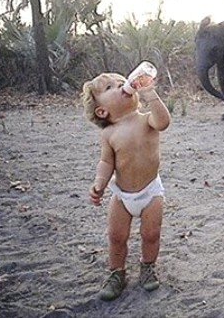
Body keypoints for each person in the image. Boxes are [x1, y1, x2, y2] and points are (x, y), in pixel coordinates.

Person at [80, 71, 171, 301]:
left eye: (123, 81)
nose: (122, 85)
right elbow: (106, 162)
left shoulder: (145, 119)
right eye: (111, 87)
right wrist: (99, 182)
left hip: (151, 191)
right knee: (116, 236)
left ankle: (147, 266)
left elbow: (163, 122)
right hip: (121, 195)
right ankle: (116, 273)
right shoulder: (109, 134)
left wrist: (150, 93)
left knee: (151, 234)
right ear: (102, 111)